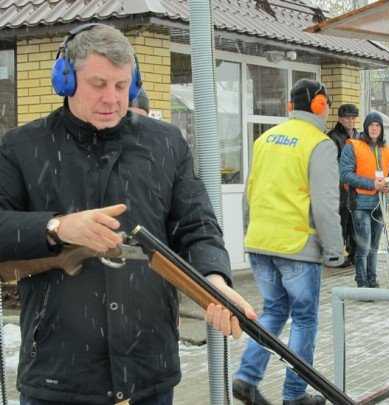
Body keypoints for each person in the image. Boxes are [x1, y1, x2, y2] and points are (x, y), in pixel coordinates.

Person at [0, 24, 256, 405]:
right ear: (66, 80)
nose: (112, 98)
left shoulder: (166, 143)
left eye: (122, 86)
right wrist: (57, 227)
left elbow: (197, 225)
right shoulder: (21, 147)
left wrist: (214, 281)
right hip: (58, 375)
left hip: (148, 371)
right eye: (98, 84)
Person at [233, 79, 344, 405]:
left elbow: (248, 194)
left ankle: (246, 377)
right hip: (297, 245)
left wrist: (250, 234)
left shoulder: (265, 139)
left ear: (290, 107)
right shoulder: (320, 144)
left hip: (260, 241)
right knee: (304, 319)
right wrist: (334, 250)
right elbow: (325, 205)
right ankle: (294, 395)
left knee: (273, 310)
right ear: (320, 105)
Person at [340, 111, 389, 288]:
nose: (374, 128)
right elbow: (345, 175)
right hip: (360, 204)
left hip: (380, 204)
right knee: (364, 247)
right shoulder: (353, 146)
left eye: (378, 125)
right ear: (365, 127)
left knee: (374, 247)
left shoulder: (387, 150)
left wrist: (388, 186)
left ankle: (372, 280)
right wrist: (373, 184)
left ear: (381, 129)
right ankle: (362, 283)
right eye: (371, 125)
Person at [327, 103, 360, 266]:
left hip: (356, 186)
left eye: (353, 118)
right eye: (347, 118)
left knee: (355, 222)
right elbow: (331, 164)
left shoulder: (359, 136)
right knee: (340, 223)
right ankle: (337, 257)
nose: (351, 121)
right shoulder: (332, 137)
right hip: (339, 187)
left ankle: (354, 254)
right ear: (340, 119)